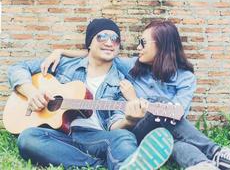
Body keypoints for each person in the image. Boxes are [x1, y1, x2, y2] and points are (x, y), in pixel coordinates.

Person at [42, 20, 230, 170]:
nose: (137, 47)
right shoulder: (132, 65)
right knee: (164, 106)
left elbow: (177, 114)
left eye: (143, 43)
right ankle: (216, 152)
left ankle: (200, 164)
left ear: (162, 45)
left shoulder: (185, 78)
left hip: (165, 134)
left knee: (172, 136)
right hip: (137, 129)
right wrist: (60, 52)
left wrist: (134, 96)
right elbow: (97, 52)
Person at [7, 18, 174, 170]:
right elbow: (17, 68)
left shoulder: (121, 83)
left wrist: (129, 120)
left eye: (115, 39)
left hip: (97, 137)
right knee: (28, 138)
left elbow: (113, 124)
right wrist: (31, 93)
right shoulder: (64, 64)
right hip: (61, 136)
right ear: (90, 42)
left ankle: (126, 165)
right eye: (102, 37)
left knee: (124, 137)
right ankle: (97, 165)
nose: (110, 42)